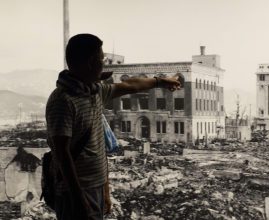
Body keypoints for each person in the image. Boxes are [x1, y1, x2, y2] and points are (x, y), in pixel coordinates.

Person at [46, 33, 180, 220]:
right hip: (77, 193)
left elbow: (131, 85)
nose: (104, 64)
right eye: (102, 59)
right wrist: (79, 201)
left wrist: (161, 82)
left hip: (95, 188)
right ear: (91, 63)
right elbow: (63, 156)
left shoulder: (95, 92)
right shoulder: (62, 101)